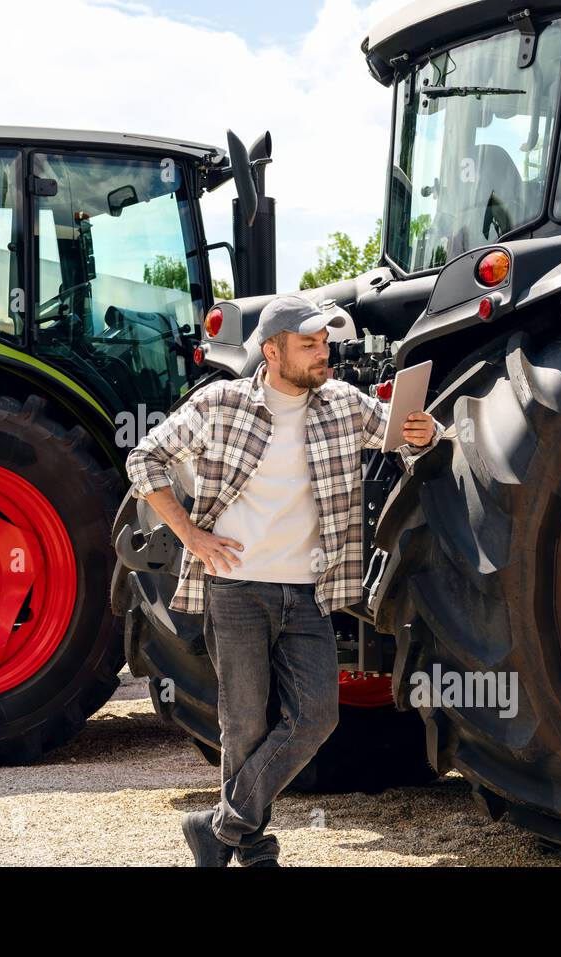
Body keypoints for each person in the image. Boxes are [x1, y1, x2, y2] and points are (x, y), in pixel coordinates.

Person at [125, 294, 442, 866]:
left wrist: (426, 431)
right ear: (272, 351)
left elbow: (401, 435)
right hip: (236, 588)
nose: (325, 353)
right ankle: (253, 846)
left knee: (318, 716)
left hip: (308, 593)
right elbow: (143, 461)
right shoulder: (221, 404)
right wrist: (192, 537)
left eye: (324, 342)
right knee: (243, 723)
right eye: (309, 345)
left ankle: (220, 826)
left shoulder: (344, 404)